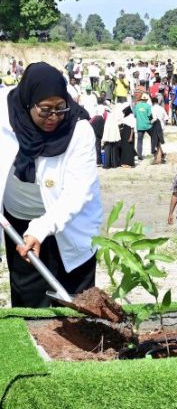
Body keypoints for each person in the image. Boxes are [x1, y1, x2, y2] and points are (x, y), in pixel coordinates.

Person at [0, 62, 102, 307]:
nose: (54, 117)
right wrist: (31, 230)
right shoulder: (4, 115)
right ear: (28, 103)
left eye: (60, 108)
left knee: (76, 299)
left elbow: (78, 192)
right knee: (29, 299)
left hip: (69, 223)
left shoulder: (78, 131)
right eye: (45, 110)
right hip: (17, 221)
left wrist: (41, 228)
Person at [134, 91, 152, 160]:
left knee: (139, 141)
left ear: (141, 99)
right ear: (147, 100)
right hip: (148, 126)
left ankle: (139, 155)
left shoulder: (136, 106)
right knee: (154, 138)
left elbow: (135, 115)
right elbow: (150, 116)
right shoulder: (148, 106)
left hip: (140, 126)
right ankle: (155, 152)